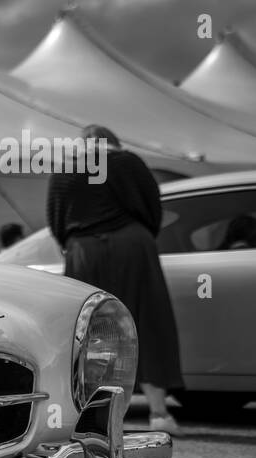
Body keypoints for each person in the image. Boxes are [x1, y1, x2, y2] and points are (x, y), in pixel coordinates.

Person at [46, 124, 183, 433]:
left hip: (84, 249)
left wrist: (74, 244)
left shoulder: (66, 167)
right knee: (147, 322)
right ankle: (160, 413)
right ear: (113, 143)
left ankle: (93, 417)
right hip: (133, 246)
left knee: (90, 331)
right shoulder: (128, 162)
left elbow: (56, 220)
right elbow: (152, 209)